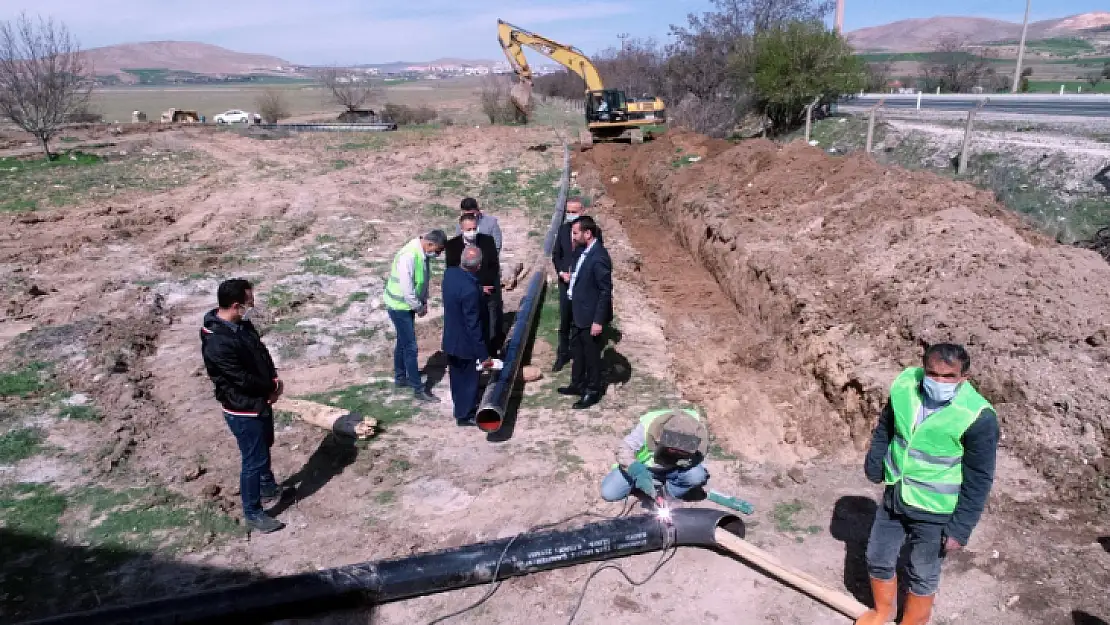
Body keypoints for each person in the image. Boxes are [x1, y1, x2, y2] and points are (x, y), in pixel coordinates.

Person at [856, 343, 999, 625]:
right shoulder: (905, 387)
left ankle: (912, 621)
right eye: (932, 373)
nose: (939, 381)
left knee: (922, 571)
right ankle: (882, 611)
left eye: (948, 376)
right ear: (923, 370)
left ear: (963, 378)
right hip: (895, 497)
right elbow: (887, 426)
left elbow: (979, 477)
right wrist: (875, 461)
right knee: (877, 557)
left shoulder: (977, 417)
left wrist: (961, 528)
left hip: (935, 511)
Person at [200, 279, 291, 534]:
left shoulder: (241, 326)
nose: (253, 304)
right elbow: (240, 379)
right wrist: (269, 391)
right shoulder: (218, 342)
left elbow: (262, 354)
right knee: (253, 459)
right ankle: (253, 512)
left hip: (259, 401)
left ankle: (268, 488)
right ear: (236, 305)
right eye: (250, 300)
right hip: (243, 409)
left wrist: (273, 381)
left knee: (265, 445)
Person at [383, 229, 447, 403]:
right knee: (410, 347)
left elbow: (423, 280)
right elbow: (407, 289)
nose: (439, 254)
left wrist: (424, 301)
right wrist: (419, 307)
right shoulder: (409, 256)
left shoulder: (421, 253)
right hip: (399, 306)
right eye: (438, 250)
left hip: (406, 306)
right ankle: (417, 388)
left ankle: (400, 377)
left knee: (403, 342)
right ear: (430, 244)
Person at [558, 216, 612, 410]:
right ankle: (577, 384)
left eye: (575, 233)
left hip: (590, 317)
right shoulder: (583, 251)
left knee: (591, 355)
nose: (572, 237)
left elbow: (605, 291)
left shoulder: (599, 257)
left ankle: (592, 390)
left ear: (587, 234)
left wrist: (598, 320)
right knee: (578, 351)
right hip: (578, 311)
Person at [600, 408, 709, 503]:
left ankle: (668, 494)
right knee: (609, 493)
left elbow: (698, 459)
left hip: (674, 470)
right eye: (672, 450)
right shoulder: (648, 425)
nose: (676, 453)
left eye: (681, 452)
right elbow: (624, 449)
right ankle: (643, 485)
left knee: (696, 475)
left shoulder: (696, 429)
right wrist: (637, 471)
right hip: (643, 467)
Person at [441, 246, 492, 427]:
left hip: (450, 339)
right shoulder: (470, 290)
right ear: (478, 266)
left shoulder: (450, 274)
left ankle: (459, 407)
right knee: (469, 380)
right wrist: (483, 355)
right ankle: (465, 414)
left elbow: (460, 292)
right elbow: (474, 325)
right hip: (466, 344)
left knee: (456, 377)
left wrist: (479, 290)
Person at [551, 198, 602, 372]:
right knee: (565, 319)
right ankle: (562, 353)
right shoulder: (563, 229)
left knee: (581, 320)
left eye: (574, 211)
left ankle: (582, 354)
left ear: (582, 211)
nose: (570, 214)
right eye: (568, 211)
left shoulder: (592, 232)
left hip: (583, 285)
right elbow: (556, 255)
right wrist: (561, 272)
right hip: (566, 282)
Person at [446, 213, 502, 355]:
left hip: (487, 290)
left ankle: (489, 353)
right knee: (469, 323)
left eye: (474, 228)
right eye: (468, 229)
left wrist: (484, 286)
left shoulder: (487, 241)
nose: (472, 232)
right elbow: (453, 271)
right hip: (466, 292)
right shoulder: (452, 246)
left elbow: (493, 266)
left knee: (488, 323)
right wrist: (476, 287)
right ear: (461, 228)